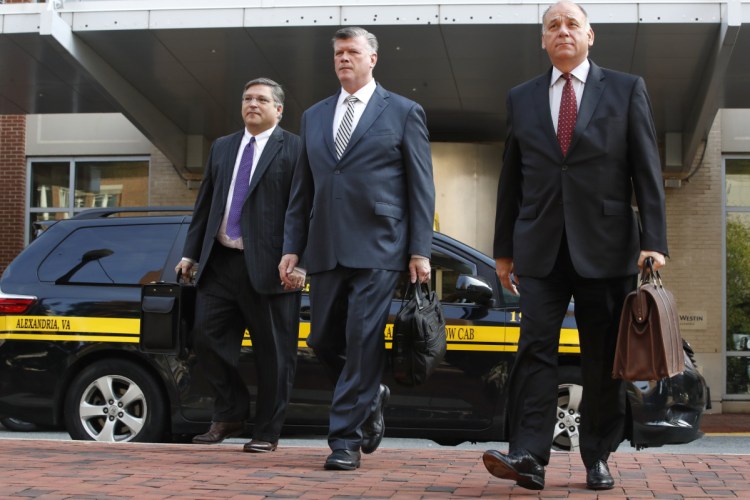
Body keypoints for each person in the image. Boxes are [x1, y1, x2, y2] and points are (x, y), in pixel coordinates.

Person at [483, 1, 668, 491]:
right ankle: (528, 455)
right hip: (539, 248)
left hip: (607, 248)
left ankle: (597, 456)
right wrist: (503, 249)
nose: (562, 32)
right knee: (534, 350)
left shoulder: (627, 89)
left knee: (602, 357)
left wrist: (655, 241)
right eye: (552, 26)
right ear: (542, 40)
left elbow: (646, 171)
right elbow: (511, 178)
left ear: (591, 36)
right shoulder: (521, 97)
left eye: (571, 24)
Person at [279, 27, 435, 471]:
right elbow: (301, 191)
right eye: (338, 53)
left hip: (381, 245)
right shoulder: (313, 116)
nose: (344, 59)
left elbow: (421, 187)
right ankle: (372, 397)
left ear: (373, 59)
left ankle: (344, 440)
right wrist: (293, 247)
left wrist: (419, 250)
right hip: (325, 246)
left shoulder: (404, 111)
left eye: (352, 52)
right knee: (323, 338)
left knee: (363, 338)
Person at [176, 77, 303, 453]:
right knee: (205, 336)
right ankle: (230, 412)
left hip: (272, 267)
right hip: (220, 263)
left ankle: (266, 431)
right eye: (247, 98)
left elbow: (305, 210)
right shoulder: (223, 146)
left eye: (262, 99)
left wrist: (301, 260)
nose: (252, 104)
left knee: (275, 355)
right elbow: (206, 204)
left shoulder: (296, 149)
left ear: (278, 109)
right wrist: (191, 253)